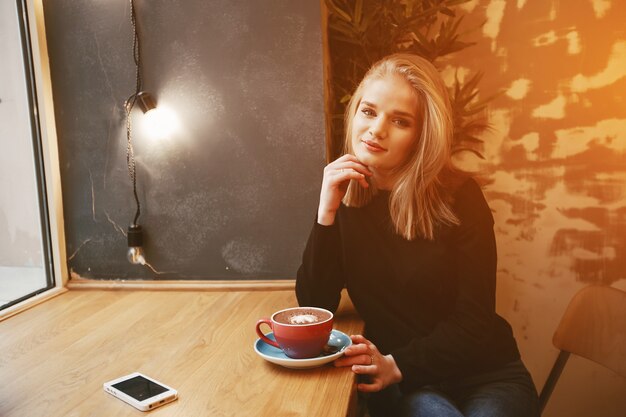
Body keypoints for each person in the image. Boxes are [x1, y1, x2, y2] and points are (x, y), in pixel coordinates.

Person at [296, 54, 539, 417]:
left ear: (421, 135)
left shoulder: (460, 196)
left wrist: (397, 364)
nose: (377, 129)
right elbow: (317, 305)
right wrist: (326, 214)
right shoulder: (346, 195)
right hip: (407, 385)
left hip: (486, 373)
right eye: (368, 111)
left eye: (399, 121)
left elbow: (474, 320)